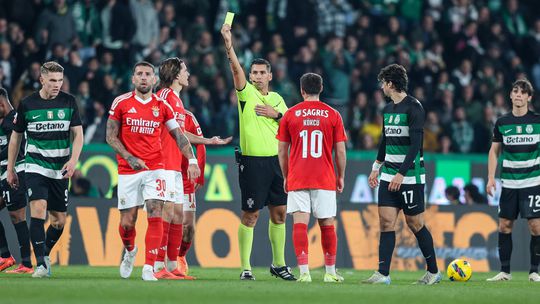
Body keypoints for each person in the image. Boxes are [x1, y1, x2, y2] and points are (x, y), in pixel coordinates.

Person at [106, 61, 200, 281]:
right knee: (127, 222)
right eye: (139, 74)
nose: (144, 78)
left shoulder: (162, 105)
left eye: (148, 74)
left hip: (155, 167)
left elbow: (179, 136)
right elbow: (110, 136)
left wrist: (192, 160)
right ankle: (130, 251)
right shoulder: (121, 103)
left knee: (155, 212)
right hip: (128, 168)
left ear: (154, 79)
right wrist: (129, 157)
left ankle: (149, 267)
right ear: (133, 78)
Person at [221, 24, 294, 280]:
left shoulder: (278, 100)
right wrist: (229, 45)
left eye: (263, 72)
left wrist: (278, 115)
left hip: (278, 162)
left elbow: (291, 125)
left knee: (280, 213)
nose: (258, 76)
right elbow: (234, 69)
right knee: (250, 215)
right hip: (253, 163)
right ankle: (246, 268)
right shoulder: (246, 93)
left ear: (270, 76)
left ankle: (279, 264)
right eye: (254, 72)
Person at [363, 64, 441, 285]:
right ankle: (383, 274)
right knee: (386, 222)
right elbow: (385, 140)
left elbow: (416, 145)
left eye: (383, 82)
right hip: (388, 174)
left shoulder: (414, 108)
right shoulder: (387, 110)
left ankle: (433, 272)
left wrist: (401, 173)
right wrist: (376, 167)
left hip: (410, 176)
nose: (381, 87)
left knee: (415, 223)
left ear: (390, 84)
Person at [154, 57, 230, 279]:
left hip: (174, 164)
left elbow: (179, 132)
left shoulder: (175, 100)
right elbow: (172, 133)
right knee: (168, 212)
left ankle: (171, 265)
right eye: (185, 70)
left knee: (178, 215)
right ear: (176, 75)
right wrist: (193, 160)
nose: (188, 74)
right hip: (164, 163)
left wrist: (207, 141)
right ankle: (158, 266)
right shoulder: (165, 97)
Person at [7, 61, 84, 278]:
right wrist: (12, 168)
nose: (57, 85)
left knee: (59, 221)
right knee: (38, 209)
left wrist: (74, 160)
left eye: (60, 80)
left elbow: (78, 135)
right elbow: (16, 137)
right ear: (42, 80)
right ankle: (40, 264)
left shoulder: (69, 102)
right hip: (35, 165)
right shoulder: (27, 104)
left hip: (60, 168)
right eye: (52, 80)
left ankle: (45, 253)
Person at [276, 73, 347, 283]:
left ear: (302, 90)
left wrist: (286, 176)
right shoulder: (333, 114)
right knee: (326, 224)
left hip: (298, 176)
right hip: (324, 177)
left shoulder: (290, 114)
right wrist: (340, 175)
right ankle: (330, 273)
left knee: (300, 224)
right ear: (321, 88)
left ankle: (304, 272)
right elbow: (340, 151)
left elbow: (282, 151)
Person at [486, 78, 540, 282]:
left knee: (536, 227)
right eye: (515, 91)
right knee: (504, 226)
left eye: (522, 92)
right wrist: (491, 178)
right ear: (510, 95)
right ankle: (505, 272)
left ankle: (534, 271)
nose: (518, 95)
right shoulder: (502, 122)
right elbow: (494, 151)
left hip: (533, 182)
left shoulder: (537, 121)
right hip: (508, 183)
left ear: (529, 97)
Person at [0, 88, 32, 274]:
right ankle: (6, 256)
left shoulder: (13, 120)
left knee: (18, 217)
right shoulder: (6, 120)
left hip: (18, 172)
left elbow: (16, 148)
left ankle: (26, 264)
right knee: (16, 217)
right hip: (7, 173)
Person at [177, 109, 207, 277]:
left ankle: (180, 256)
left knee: (188, 226)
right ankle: (159, 260)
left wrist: (200, 174)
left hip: (185, 177)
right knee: (165, 220)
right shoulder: (159, 110)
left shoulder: (188, 116)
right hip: (166, 173)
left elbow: (201, 143)